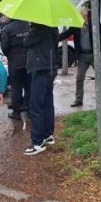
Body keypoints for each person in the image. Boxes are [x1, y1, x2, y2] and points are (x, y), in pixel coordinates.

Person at [59, 6, 101, 107]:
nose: (78, 17)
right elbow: (66, 34)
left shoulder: (94, 23)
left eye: (80, 15)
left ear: (84, 15)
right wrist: (52, 38)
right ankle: (78, 100)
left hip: (94, 55)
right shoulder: (76, 25)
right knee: (79, 77)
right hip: (82, 56)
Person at [23, 21, 59, 155]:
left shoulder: (37, 28)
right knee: (47, 103)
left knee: (35, 105)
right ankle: (48, 134)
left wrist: (31, 27)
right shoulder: (52, 26)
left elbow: (26, 42)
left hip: (40, 68)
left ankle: (37, 142)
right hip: (50, 67)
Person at [0, 15, 31, 120]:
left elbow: (4, 48)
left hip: (15, 62)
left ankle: (16, 112)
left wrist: (11, 55)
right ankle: (29, 109)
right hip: (29, 62)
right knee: (29, 86)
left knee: (15, 87)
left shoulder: (7, 28)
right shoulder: (29, 25)